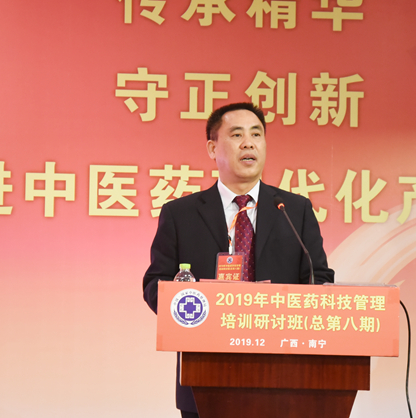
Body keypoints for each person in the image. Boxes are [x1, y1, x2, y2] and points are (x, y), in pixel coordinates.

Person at [142, 102, 334, 418]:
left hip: (285, 375)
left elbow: (319, 278)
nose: (248, 143)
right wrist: (187, 306)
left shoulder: (295, 210)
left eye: (256, 134)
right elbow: (155, 284)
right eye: (236, 134)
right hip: (205, 373)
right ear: (212, 148)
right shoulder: (181, 214)